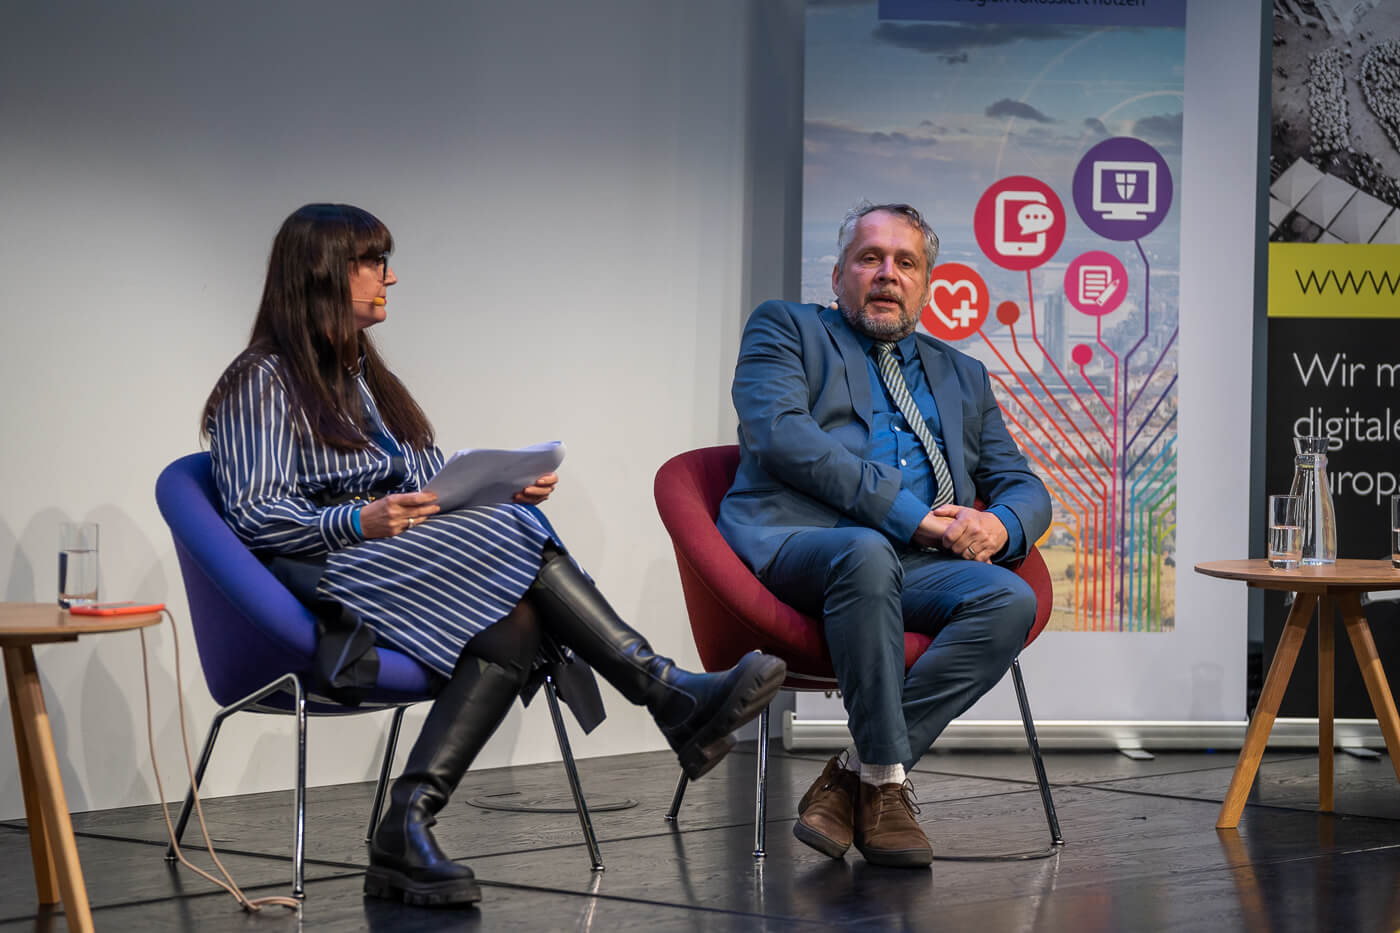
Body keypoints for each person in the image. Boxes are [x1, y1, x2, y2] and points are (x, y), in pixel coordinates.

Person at [202, 203, 786, 907]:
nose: (390, 276)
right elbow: (256, 515)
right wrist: (359, 518)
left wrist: (494, 489)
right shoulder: (261, 380)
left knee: (519, 620)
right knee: (514, 537)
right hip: (326, 576)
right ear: (322, 271)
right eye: (373, 262)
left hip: (396, 560)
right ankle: (666, 692)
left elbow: (423, 487)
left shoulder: (362, 377)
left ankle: (406, 824)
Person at [717, 202, 1050, 868]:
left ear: (926, 284)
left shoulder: (963, 374)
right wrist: (908, 514)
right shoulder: (785, 328)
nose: (887, 274)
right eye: (869, 258)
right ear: (838, 273)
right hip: (805, 544)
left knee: (1009, 599)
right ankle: (884, 787)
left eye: (906, 262)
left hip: (913, 563)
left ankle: (859, 776)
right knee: (866, 549)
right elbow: (782, 436)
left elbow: (1021, 482)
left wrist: (999, 523)